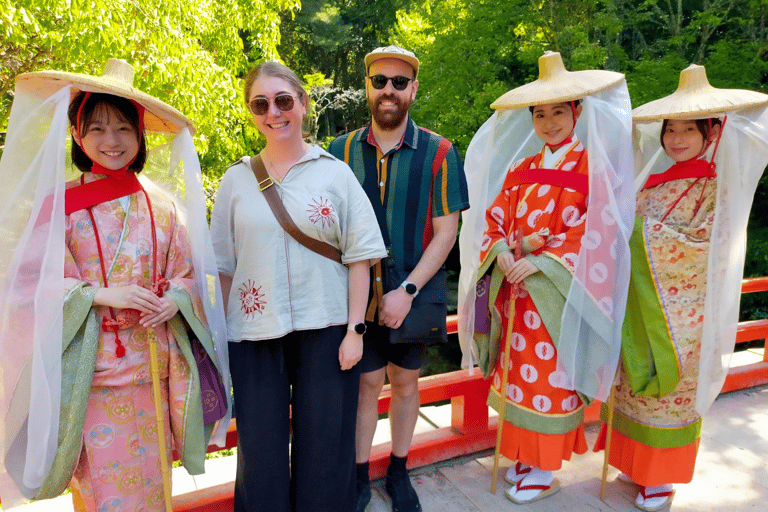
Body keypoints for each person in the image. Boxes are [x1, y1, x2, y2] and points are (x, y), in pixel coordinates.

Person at [0, 59, 229, 511]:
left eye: (123, 128)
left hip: (152, 370)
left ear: (140, 135)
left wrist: (174, 300)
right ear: (77, 136)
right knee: (104, 492)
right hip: (91, 375)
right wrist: (101, 294)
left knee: (153, 484)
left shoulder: (163, 207)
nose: (111, 141)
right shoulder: (59, 205)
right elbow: (28, 284)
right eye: (98, 128)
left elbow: (187, 274)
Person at [458, 51, 634, 504]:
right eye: (540, 113)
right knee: (516, 377)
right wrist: (499, 252)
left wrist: (542, 262)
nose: (549, 121)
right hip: (514, 293)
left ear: (577, 112)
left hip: (558, 296)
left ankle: (543, 465)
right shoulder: (520, 168)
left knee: (550, 381)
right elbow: (494, 218)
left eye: (559, 111)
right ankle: (522, 455)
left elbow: (600, 231)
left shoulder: (593, 168)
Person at [210, 61, 387, 512]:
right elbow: (224, 267)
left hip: (326, 327)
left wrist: (354, 332)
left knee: (326, 446)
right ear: (251, 111)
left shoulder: (336, 174)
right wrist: (221, 340)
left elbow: (360, 258)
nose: (274, 112)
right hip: (253, 333)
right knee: (260, 449)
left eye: (284, 100)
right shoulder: (235, 180)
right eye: (261, 103)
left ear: (303, 104)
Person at [595, 64, 768, 511]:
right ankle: (634, 464)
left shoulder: (716, 185)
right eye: (670, 130)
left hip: (683, 312)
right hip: (639, 301)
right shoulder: (649, 181)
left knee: (671, 396)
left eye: (688, 130)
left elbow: (707, 243)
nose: (676, 139)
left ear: (711, 132)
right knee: (630, 387)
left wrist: (638, 233)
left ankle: (662, 479)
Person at [328, 45, 470, 512]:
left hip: (416, 289)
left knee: (406, 383)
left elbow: (447, 232)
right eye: (379, 81)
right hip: (355, 295)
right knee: (367, 385)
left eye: (399, 82)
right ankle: (358, 475)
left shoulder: (440, 151)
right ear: (367, 87)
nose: (389, 90)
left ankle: (399, 469)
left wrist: (406, 290)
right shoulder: (339, 151)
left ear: (413, 89)